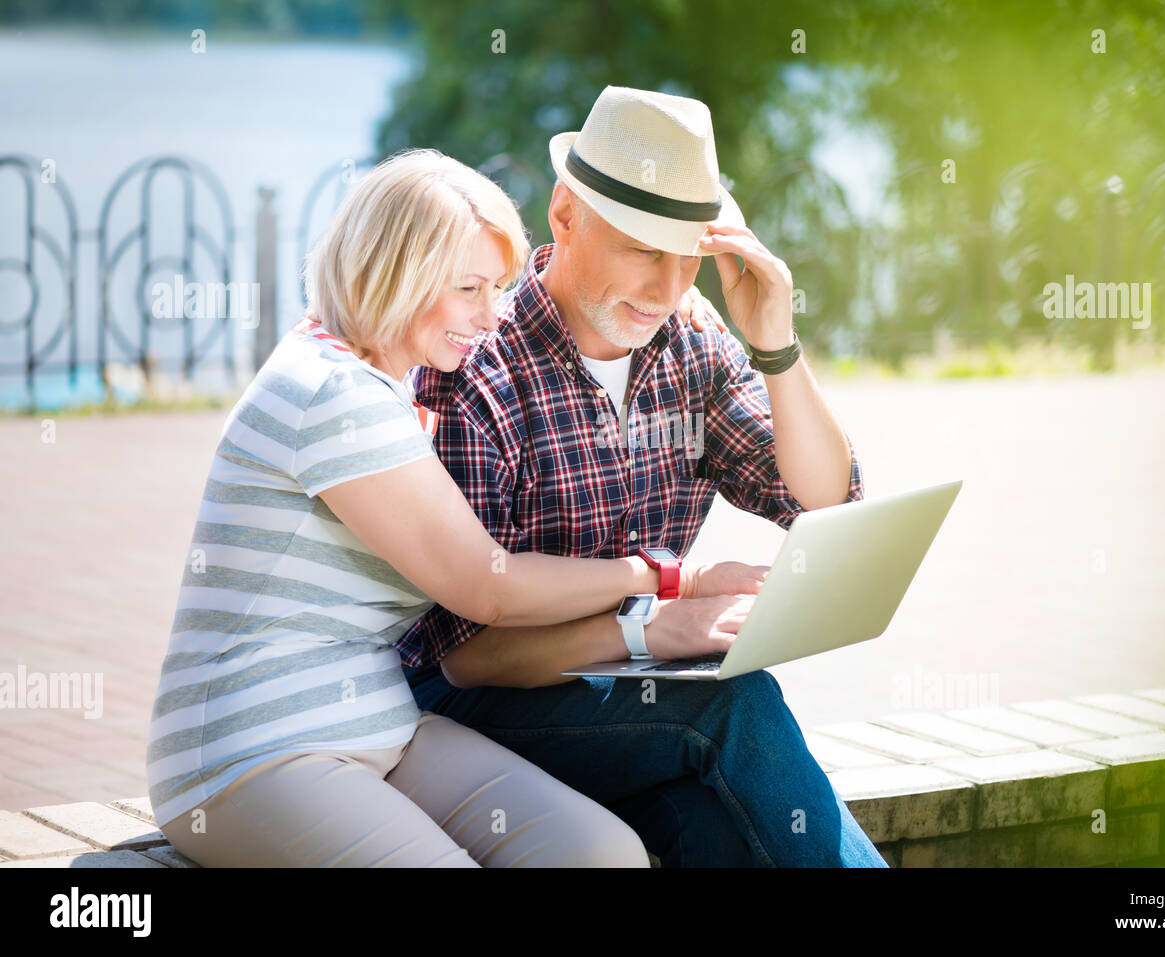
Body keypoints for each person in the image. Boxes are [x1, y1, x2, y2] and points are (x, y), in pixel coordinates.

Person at [144, 148, 762, 867]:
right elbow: (486, 585)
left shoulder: (384, 385)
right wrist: (665, 579)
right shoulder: (330, 393)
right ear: (393, 275)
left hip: (378, 723)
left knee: (600, 853)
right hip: (247, 748)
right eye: (469, 288)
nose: (491, 315)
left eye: (497, 287)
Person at [399, 86, 890, 866]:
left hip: (626, 689)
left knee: (707, 824)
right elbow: (467, 651)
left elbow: (822, 501)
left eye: (689, 254)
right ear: (565, 216)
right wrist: (653, 628)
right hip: (477, 704)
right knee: (730, 702)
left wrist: (779, 347)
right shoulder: (481, 370)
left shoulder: (693, 343)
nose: (667, 288)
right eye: (643, 249)